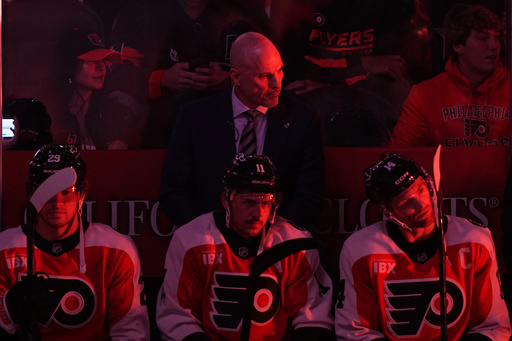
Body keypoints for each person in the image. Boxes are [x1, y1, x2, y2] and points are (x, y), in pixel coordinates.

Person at [156, 153, 334, 340]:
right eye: (249, 202)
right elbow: (177, 316)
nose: (258, 213)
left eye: (265, 203)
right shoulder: (191, 241)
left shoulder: (296, 245)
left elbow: (313, 320)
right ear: (226, 200)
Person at [335, 153, 511, 340]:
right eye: (405, 202)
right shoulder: (360, 250)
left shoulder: (474, 240)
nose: (421, 204)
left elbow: (492, 326)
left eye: (420, 190)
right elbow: (355, 332)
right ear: (388, 210)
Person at [159, 31, 324, 228]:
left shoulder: (303, 119)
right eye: (264, 76)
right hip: (211, 241)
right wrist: (213, 232)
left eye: (279, 71)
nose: (277, 84)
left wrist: (270, 234)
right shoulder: (195, 117)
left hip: (276, 242)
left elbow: (310, 196)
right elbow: (174, 192)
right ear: (236, 76)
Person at [0, 144, 150, 340]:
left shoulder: (116, 250)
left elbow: (130, 332)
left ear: (81, 193)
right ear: (31, 193)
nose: (56, 201)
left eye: (66, 190)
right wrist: (8, 312)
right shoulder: (4, 249)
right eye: (45, 189)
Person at [109, 0, 265, 148]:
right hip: (158, 135)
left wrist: (229, 80)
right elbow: (115, 71)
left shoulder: (243, 10)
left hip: (231, 134)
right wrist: (161, 79)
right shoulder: (140, 11)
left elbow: (274, 70)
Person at [389, 4, 510, 148]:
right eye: (483, 38)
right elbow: (399, 157)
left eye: (496, 37)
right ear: (458, 45)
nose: (494, 45)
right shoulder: (426, 96)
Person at [41, 28, 140, 150]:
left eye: (103, 60)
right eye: (92, 60)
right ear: (70, 66)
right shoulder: (50, 115)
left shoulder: (115, 112)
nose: (101, 67)